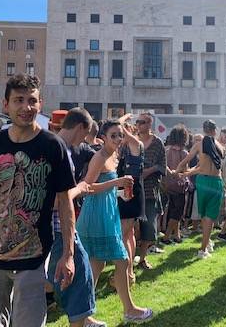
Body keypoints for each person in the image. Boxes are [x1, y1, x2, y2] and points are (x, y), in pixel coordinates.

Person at [0, 74, 77, 327]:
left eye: (32, 101)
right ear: (5, 105)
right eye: (18, 100)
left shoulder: (52, 145)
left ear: (40, 103)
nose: (26, 107)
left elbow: (66, 203)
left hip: (33, 257)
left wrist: (68, 253)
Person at [77, 119, 153, 323]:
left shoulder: (114, 155)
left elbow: (104, 187)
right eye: (114, 135)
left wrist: (119, 192)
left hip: (107, 211)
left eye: (120, 135)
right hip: (96, 215)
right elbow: (87, 187)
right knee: (122, 259)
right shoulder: (100, 156)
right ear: (102, 138)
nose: (119, 139)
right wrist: (117, 182)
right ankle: (129, 310)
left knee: (97, 265)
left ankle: (84, 315)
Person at [52, 108, 106, 327]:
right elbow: (57, 200)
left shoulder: (54, 145)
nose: (86, 139)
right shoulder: (60, 151)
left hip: (54, 225)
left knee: (78, 272)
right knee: (78, 275)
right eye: (87, 133)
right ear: (80, 127)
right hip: (57, 225)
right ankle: (82, 321)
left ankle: (85, 319)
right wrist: (79, 188)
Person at [178, 120, 225, 259]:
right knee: (209, 216)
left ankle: (207, 241)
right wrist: (186, 172)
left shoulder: (199, 145)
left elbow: (189, 160)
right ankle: (203, 249)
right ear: (215, 130)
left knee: (205, 216)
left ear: (204, 130)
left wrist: (178, 171)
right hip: (215, 181)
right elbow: (208, 164)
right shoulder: (219, 146)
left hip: (202, 181)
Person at [135, 113, 167, 269]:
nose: (138, 125)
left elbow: (163, 166)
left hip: (149, 190)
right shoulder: (132, 141)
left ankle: (142, 258)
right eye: (137, 122)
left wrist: (151, 170)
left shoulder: (157, 143)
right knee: (131, 227)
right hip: (132, 189)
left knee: (149, 227)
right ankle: (128, 259)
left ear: (149, 124)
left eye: (141, 122)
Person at [116, 119, 145, 284]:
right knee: (129, 235)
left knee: (123, 235)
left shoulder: (137, 144)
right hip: (126, 193)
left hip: (130, 194)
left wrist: (121, 121)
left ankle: (126, 273)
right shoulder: (125, 149)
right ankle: (129, 273)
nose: (120, 136)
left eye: (123, 132)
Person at [162, 125, 189, 245]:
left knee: (172, 209)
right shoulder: (183, 153)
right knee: (177, 212)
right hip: (179, 186)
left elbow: (164, 166)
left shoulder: (166, 151)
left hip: (167, 185)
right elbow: (186, 170)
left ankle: (177, 235)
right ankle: (167, 236)